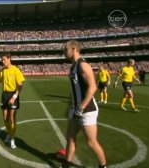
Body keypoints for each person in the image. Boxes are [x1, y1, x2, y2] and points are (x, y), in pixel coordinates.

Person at [62, 40, 107, 168]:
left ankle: (103, 166)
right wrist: (72, 107)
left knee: (91, 142)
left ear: (74, 49)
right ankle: (66, 165)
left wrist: (81, 108)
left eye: (66, 49)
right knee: (70, 138)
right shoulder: (73, 67)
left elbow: (93, 87)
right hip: (75, 109)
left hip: (87, 110)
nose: (64, 51)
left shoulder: (83, 65)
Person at [0, 53, 25, 149]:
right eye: (1, 60)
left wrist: (14, 97)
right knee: (5, 118)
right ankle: (9, 134)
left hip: (13, 94)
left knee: (11, 118)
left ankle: (12, 139)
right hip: (4, 95)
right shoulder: (2, 71)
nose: (2, 61)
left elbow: (20, 85)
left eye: (4, 59)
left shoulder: (16, 70)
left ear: (9, 59)